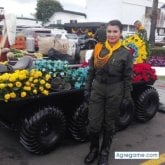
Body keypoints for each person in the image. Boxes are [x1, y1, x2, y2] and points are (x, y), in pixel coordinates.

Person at [84, 20, 133, 165]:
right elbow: (91, 71)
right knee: (94, 124)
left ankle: (104, 152)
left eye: (115, 31)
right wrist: (87, 89)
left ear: (120, 33)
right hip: (98, 88)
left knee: (109, 123)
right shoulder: (98, 49)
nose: (112, 34)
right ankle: (93, 150)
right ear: (106, 33)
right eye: (109, 31)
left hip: (115, 89)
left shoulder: (125, 53)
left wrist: (126, 97)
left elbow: (128, 77)